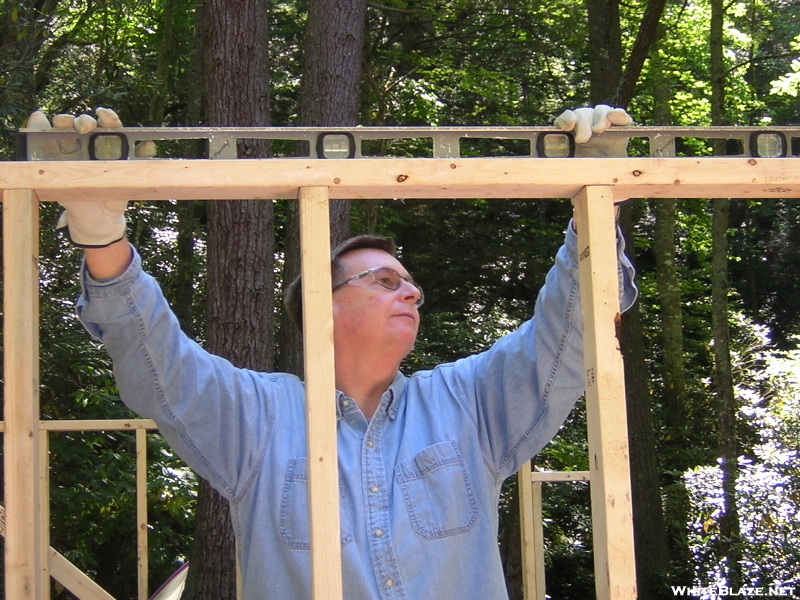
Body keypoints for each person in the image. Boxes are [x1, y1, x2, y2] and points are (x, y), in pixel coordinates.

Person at [40, 106, 637, 599]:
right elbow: (159, 365)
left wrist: (597, 207)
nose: (410, 291)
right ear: (323, 303)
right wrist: (102, 239)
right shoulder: (259, 418)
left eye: (412, 287)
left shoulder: (468, 401)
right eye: (383, 281)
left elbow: (568, 332)